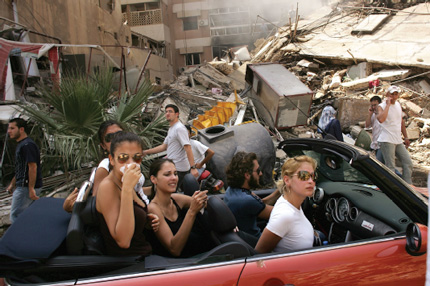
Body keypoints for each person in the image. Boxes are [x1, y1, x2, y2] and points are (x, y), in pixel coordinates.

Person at [95, 131, 158, 256]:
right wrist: (127, 189)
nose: (130, 163)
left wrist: (146, 221)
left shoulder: (125, 181)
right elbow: (123, 241)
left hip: (145, 249)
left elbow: (128, 212)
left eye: (137, 158)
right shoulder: (108, 186)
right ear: (112, 160)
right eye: (123, 158)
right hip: (131, 261)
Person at [147, 158, 214, 257]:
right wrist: (191, 212)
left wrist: (226, 222)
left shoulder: (177, 199)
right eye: (167, 174)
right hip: (183, 265)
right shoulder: (153, 208)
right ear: (154, 179)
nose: (174, 178)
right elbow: (174, 249)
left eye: (175, 174)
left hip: (206, 253)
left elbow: (207, 204)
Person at [255, 155, 317, 253]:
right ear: (287, 180)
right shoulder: (285, 215)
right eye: (303, 175)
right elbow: (259, 256)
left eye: (313, 176)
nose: (310, 181)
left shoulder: (291, 203)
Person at [223, 151, 280, 243]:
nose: (260, 173)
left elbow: (261, 204)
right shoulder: (245, 200)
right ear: (247, 175)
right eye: (257, 170)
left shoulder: (233, 190)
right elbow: (281, 215)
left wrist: (280, 191)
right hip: (259, 244)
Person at [143, 104, 198, 190]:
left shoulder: (179, 128)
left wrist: (193, 168)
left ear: (177, 114)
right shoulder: (172, 129)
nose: (167, 114)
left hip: (179, 169)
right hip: (172, 166)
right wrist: (146, 152)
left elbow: (188, 148)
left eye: (170, 111)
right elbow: (163, 147)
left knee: (169, 191)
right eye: (166, 112)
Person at [6, 118, 43, 224]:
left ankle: (19, 238)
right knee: (26, 216)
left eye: (12, 128)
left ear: (21, 129)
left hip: (25, 187)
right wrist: (12, 184)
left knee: (16, 216)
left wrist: (31, 188)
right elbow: (21, 168)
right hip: (23, 185)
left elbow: (32, 167)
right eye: (9, 128)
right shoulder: (22, 145)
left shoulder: (27, 145)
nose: (9, 131)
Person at [376, 85, 413, 184]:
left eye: (396, 94)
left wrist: (405, 137)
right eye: (392, 94)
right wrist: (387, 105)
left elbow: (401, 122)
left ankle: (408, 186)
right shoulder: (382, 106)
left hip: (397, 139)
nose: (394, 96)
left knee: (408, 162)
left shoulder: (398, 105)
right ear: (387, 94)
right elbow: (381, 119)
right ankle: (392, 188)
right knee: (390, 166)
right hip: (387, 139)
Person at [365, 96, 383, 162]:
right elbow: (367, 125)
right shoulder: (373, 115)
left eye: (375, 105)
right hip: (375, 144)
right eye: (372, 105)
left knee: (381, 163)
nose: (373, 107)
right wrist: (370, 114)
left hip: (382, 144)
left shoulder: (384, 114)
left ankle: (396, 173)